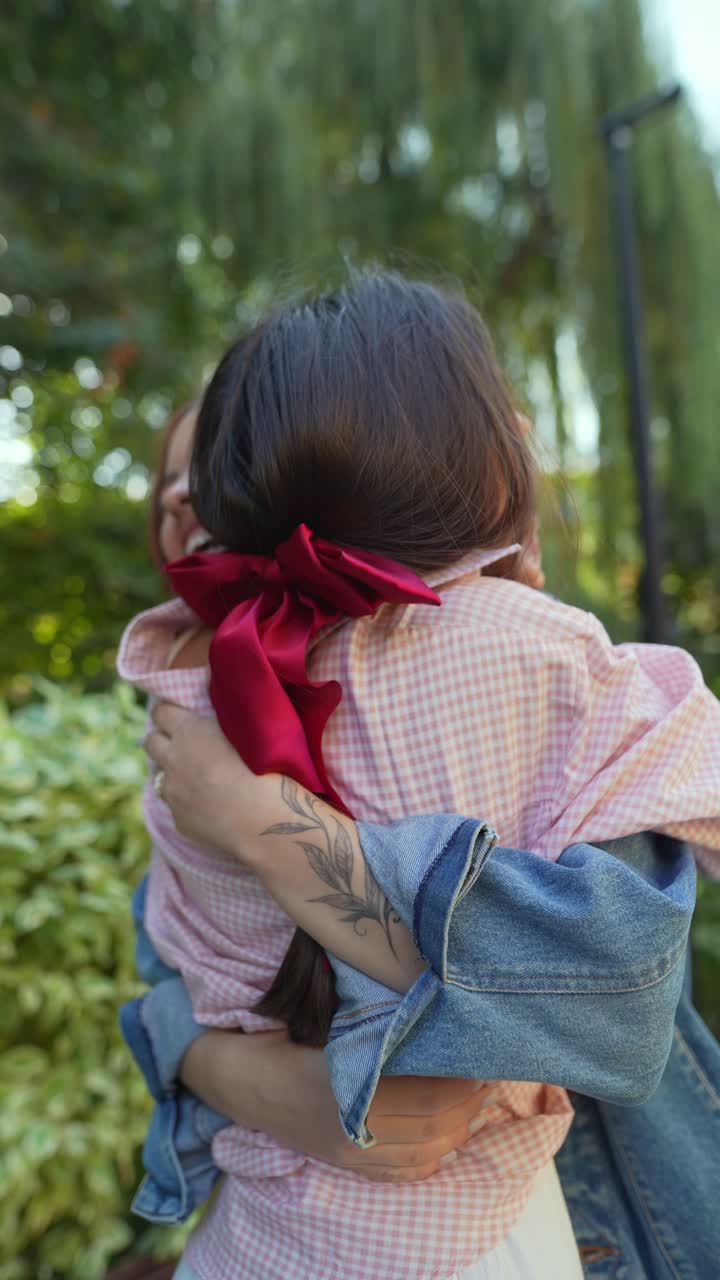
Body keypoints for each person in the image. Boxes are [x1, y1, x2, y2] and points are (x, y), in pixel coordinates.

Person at [119, 270, 719, 1280]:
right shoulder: (548, 668)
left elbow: (177, 972)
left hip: (258, 1242)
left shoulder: (187, 708)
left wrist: (262, 823)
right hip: (498, 1238)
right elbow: (615, 976)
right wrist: (294, 1088)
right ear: (480, 456)